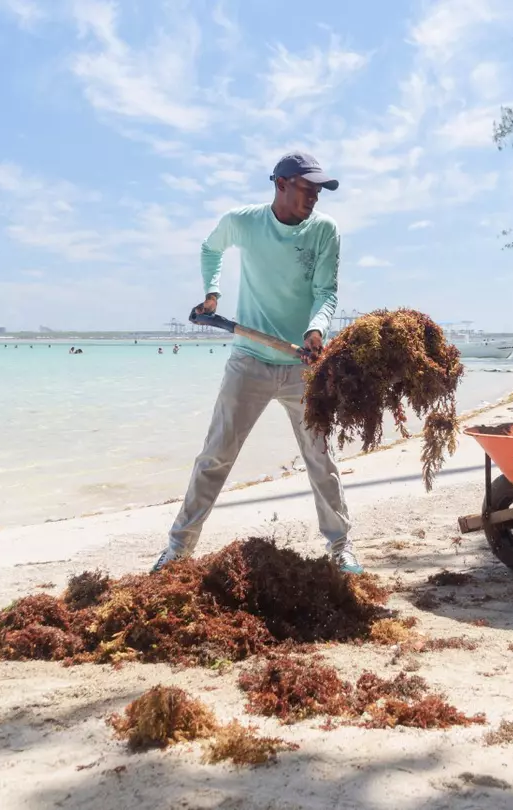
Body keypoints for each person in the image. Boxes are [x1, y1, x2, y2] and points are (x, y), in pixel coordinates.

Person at [152, 151, 356, 574]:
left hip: (303, 365)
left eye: (319, 190)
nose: (315, 197)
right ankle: (178, 550)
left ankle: (340, 546)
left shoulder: (325, 230)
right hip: (249, 363)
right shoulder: (243, 221)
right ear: (281, 184)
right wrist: (212, 294)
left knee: (321, 458)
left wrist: (315, 330)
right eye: (307, 188)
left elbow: (326, 292)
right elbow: (211, 248)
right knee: (215, 457)